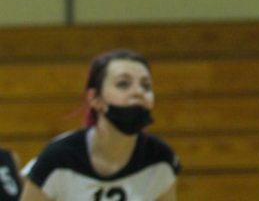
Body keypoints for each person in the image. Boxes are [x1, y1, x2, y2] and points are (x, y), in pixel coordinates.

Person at [20, 49, 179, 201]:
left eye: (146, 86)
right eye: (123, 84)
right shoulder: (57, 158)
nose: (138, 92)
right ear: (95, 99)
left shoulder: (160, 159)